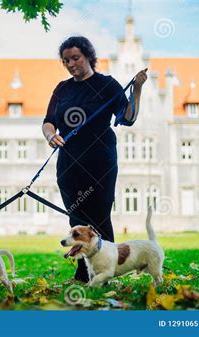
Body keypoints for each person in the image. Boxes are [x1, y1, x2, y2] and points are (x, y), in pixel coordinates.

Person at [42, 36, 147, 283]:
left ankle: (105, 272)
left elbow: (128, 117)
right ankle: (83, 274)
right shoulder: (62, 89)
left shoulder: (107, 85)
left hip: (100, 161)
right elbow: (48, 120)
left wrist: (138, 89)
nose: (70, 64)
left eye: (75, 58)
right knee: (76, 218)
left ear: (89, 57)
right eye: (66, 60)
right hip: (68, 162)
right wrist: (50, 135)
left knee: (99, 217)